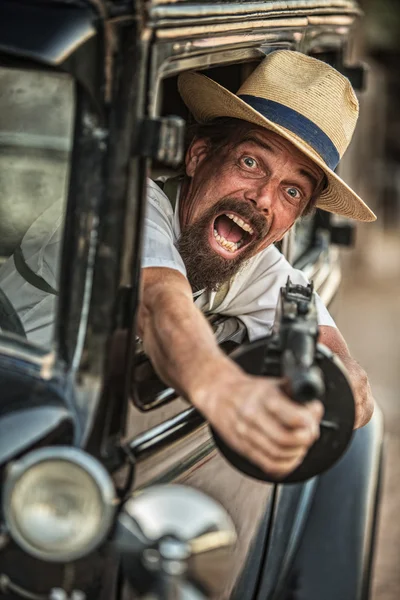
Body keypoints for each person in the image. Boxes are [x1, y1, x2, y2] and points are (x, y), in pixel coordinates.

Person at [138, 50, 376, 479]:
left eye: (291, 192)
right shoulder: (136, 211)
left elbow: (338, 360)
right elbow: (159, 302)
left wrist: (344, 382)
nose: (263, 199)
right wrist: (226, 392)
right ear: (198, 157)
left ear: (289, 226)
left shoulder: (257, 263)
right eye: (250, 163)